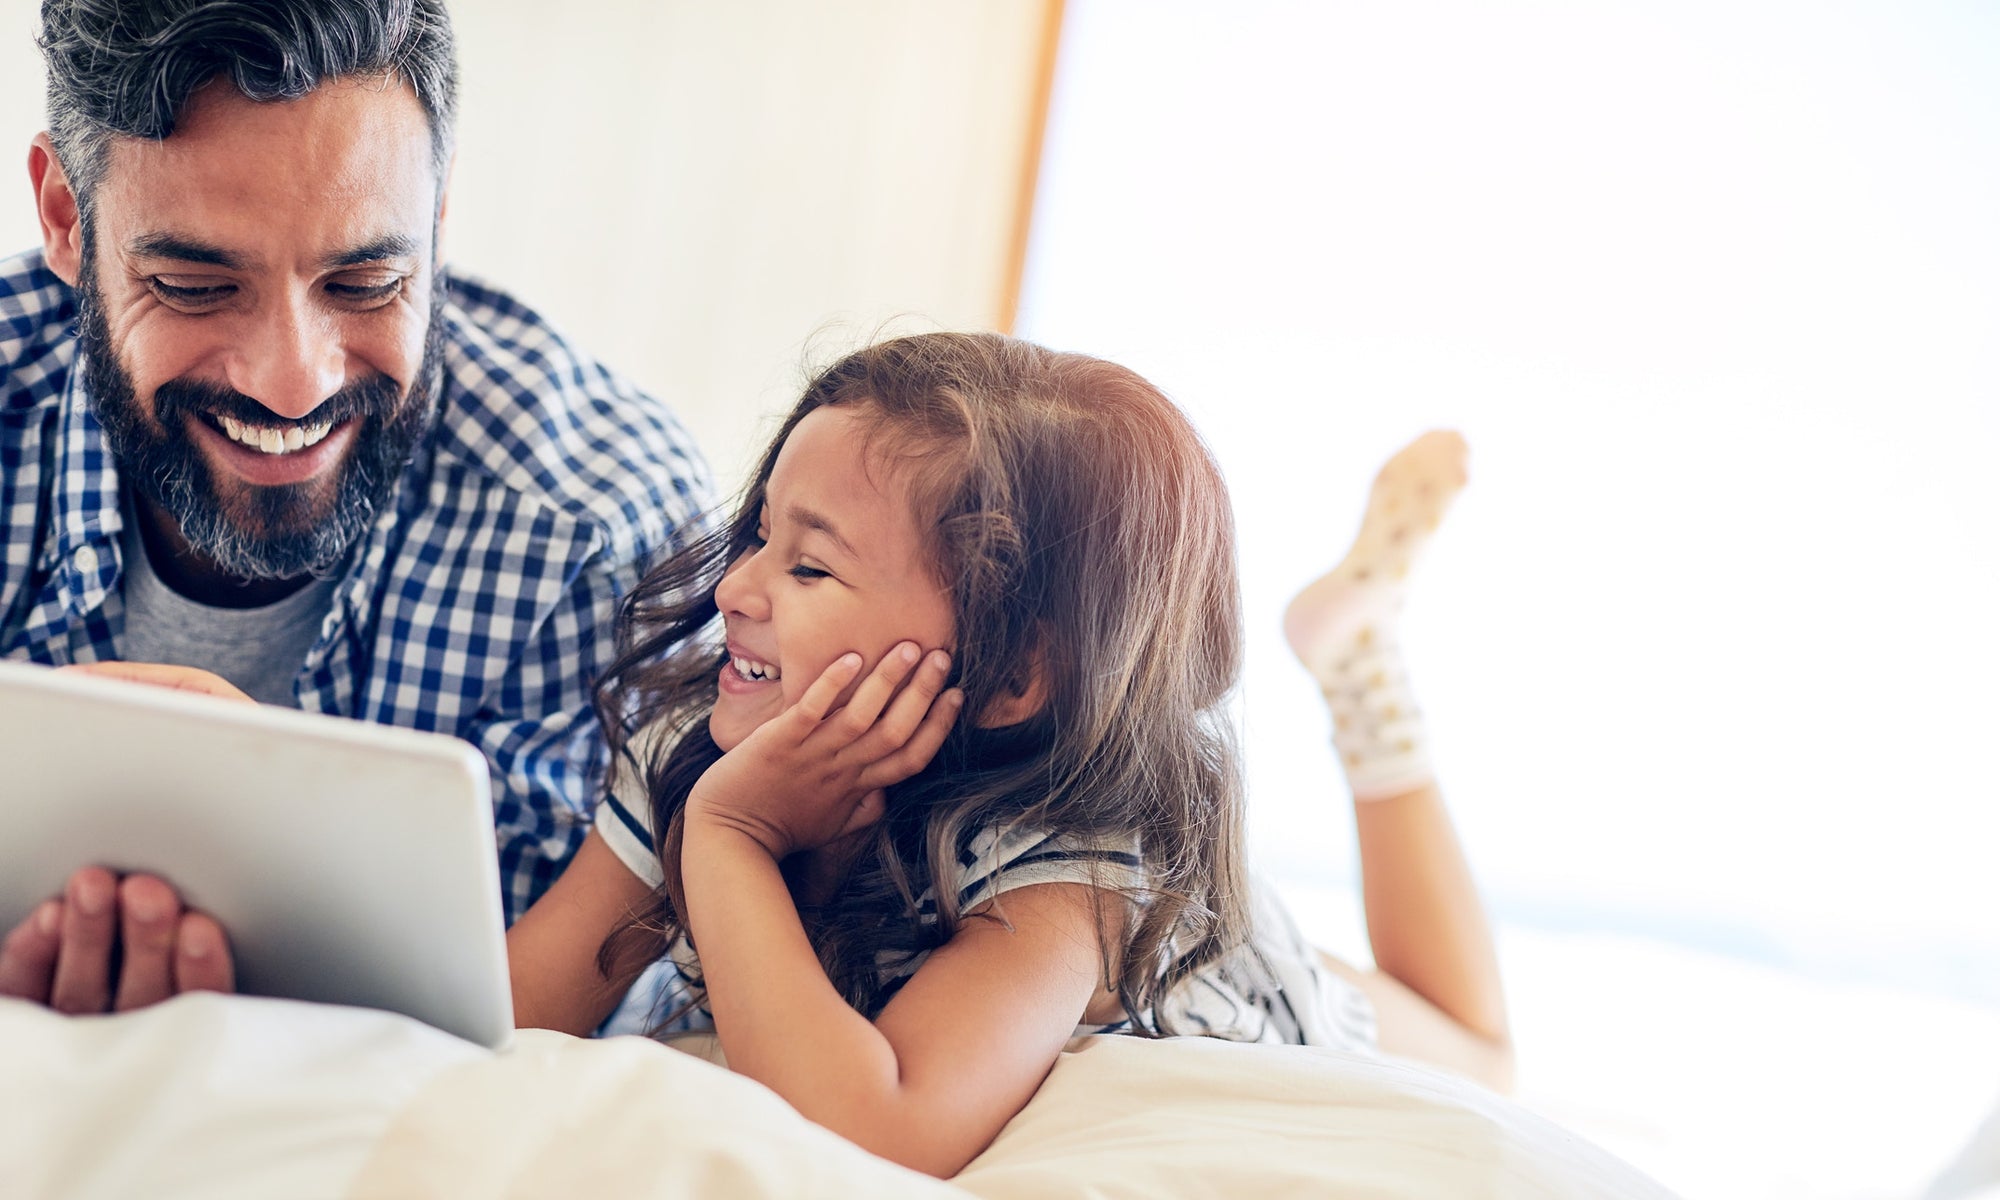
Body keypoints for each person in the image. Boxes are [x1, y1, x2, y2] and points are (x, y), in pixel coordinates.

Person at [496, 332, 1510, 1177]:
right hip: (1118, 923)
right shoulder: (697, 745)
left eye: (808, 565)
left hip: (1221, 975)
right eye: (757, 537)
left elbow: (877, 1127)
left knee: (1479, 1058)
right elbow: (524, 1003)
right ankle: (1355, 645)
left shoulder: (1069, 871)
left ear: (1011, 671)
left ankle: (1355, 659)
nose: (736, 591)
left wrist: (729, 838)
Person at [0, 0, 710, 1011]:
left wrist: (275, 808)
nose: (292, 384)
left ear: (437, 218)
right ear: (68, 221)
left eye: (366, 279)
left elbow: (555, 1032)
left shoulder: (599, 532)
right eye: (195, 286)